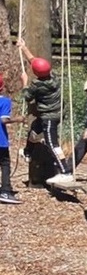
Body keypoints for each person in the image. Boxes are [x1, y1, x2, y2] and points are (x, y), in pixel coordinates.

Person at [17, 38, 72, 185]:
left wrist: (24, 82)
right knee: (34, 131)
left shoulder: (37, 85)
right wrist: (23, 47)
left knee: (52, 144)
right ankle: (28, 152)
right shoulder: (53, 77)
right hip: (53, 114)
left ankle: (65, 172)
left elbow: (27, 97)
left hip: (49, 117)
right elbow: (35, 62)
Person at [0, 74, 26, 204]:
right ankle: (5, 191)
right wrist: (18, 119)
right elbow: (4, 120)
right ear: (2, 87)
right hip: (0, 141)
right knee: (4, 164)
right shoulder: (4, 101)